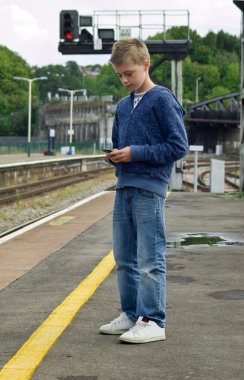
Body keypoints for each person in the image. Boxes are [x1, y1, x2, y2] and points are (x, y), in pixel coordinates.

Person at [99, 38, 188, 344]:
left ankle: (153, 320)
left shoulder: (162, 99)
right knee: (124, 258)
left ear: (146, 65)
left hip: (149, 188)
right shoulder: (123, 106)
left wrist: (134, 153)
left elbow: (179, 146)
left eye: (129, 73)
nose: (124, 80)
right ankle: (130, 314)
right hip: (124, 185)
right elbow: (119, 142)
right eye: (119, 75)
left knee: (149, 259)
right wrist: (117, 156)